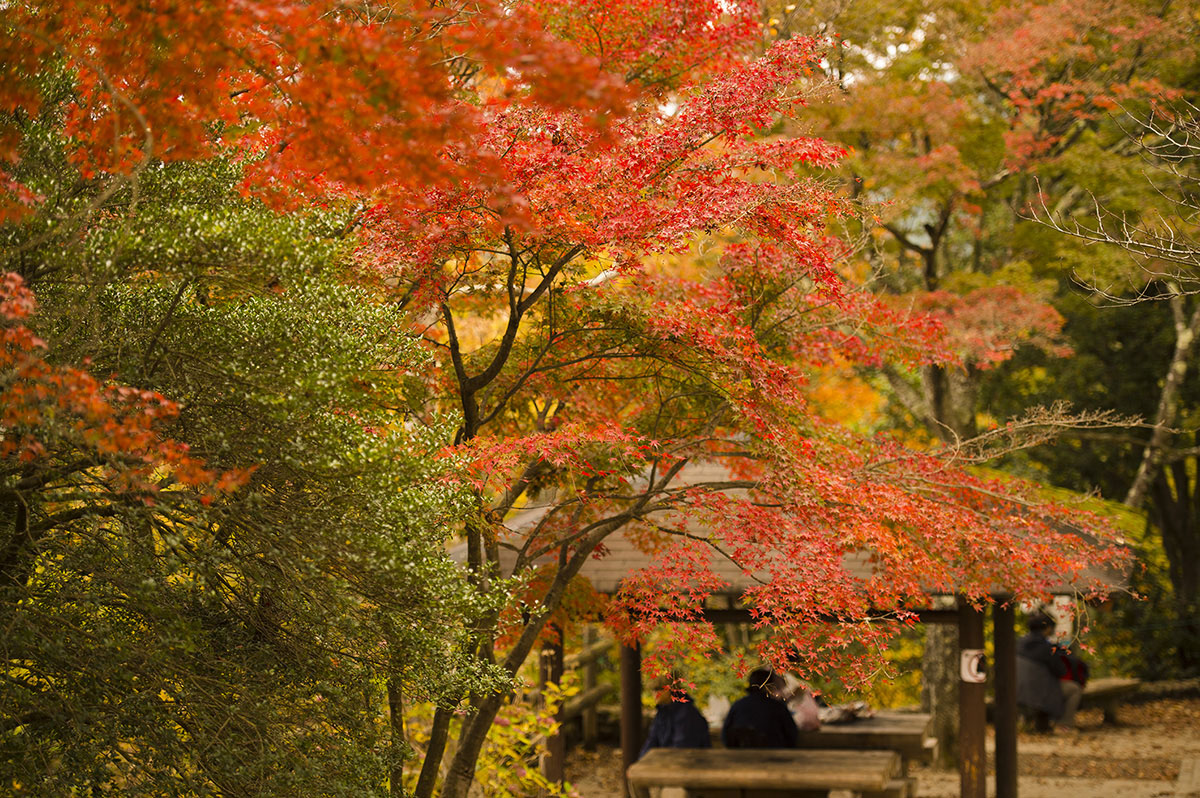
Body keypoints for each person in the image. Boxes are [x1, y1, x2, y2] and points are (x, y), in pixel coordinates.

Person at [1016, 611, 1082, 732]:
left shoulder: (1018, 643)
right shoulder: (1047, 648)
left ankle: (1029, 722)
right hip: (1040, 692)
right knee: (1074, 689)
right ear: (1047, 628)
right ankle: (1064, 726)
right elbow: (1061, 671)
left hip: (1017, 691)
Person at [721, 668, 799, 748]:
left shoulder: (738, 705)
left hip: (742, 756)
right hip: (773, 756)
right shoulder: (777, 707)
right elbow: (792, 735)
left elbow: (726, 735)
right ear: (769, 686)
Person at [638, 677, 712, 758]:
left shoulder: (686, 712)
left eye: (659, 689)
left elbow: (681, 748)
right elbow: (652, 741)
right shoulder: (662, 712)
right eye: (653, 690)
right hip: (671, 762)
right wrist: (640, 762)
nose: (655, 693)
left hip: (690, 763)